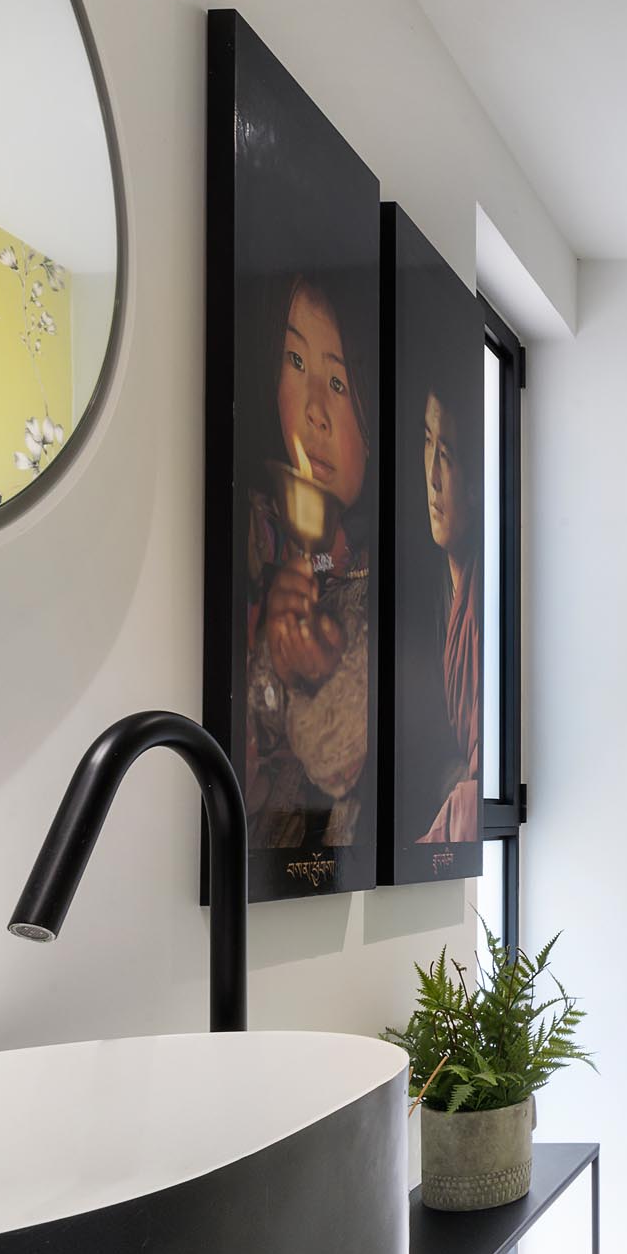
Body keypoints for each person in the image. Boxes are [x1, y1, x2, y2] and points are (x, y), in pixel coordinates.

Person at [244, 271, 373, 855]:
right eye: (295, 362)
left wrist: (317, 670)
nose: (316, 411)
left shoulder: (372, 589)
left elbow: (343, 763)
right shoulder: (246, 538)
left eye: (339, 383)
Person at [414, 357, 480, 845]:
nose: (433, 477)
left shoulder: (481, 614)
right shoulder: (429, 591)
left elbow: (477, 780)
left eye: (450, 456)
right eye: (427, 443)